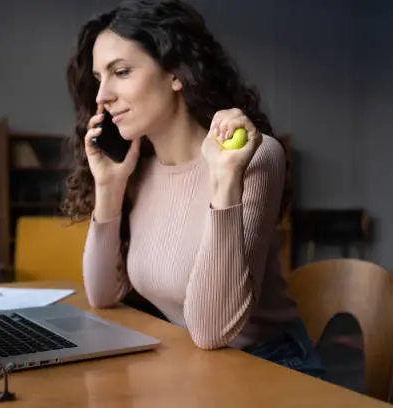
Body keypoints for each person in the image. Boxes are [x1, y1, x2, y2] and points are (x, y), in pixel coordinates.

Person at [62, 0, 324, 378]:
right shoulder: (140, 167)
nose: (102, 95)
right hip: (190, 362)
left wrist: (224, 180)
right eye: (100, 78)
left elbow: (212, 329)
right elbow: (102, 296)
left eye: (120, 72)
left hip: (269, 368)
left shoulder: (252, 156)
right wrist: (109, 186)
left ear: (176, 73)